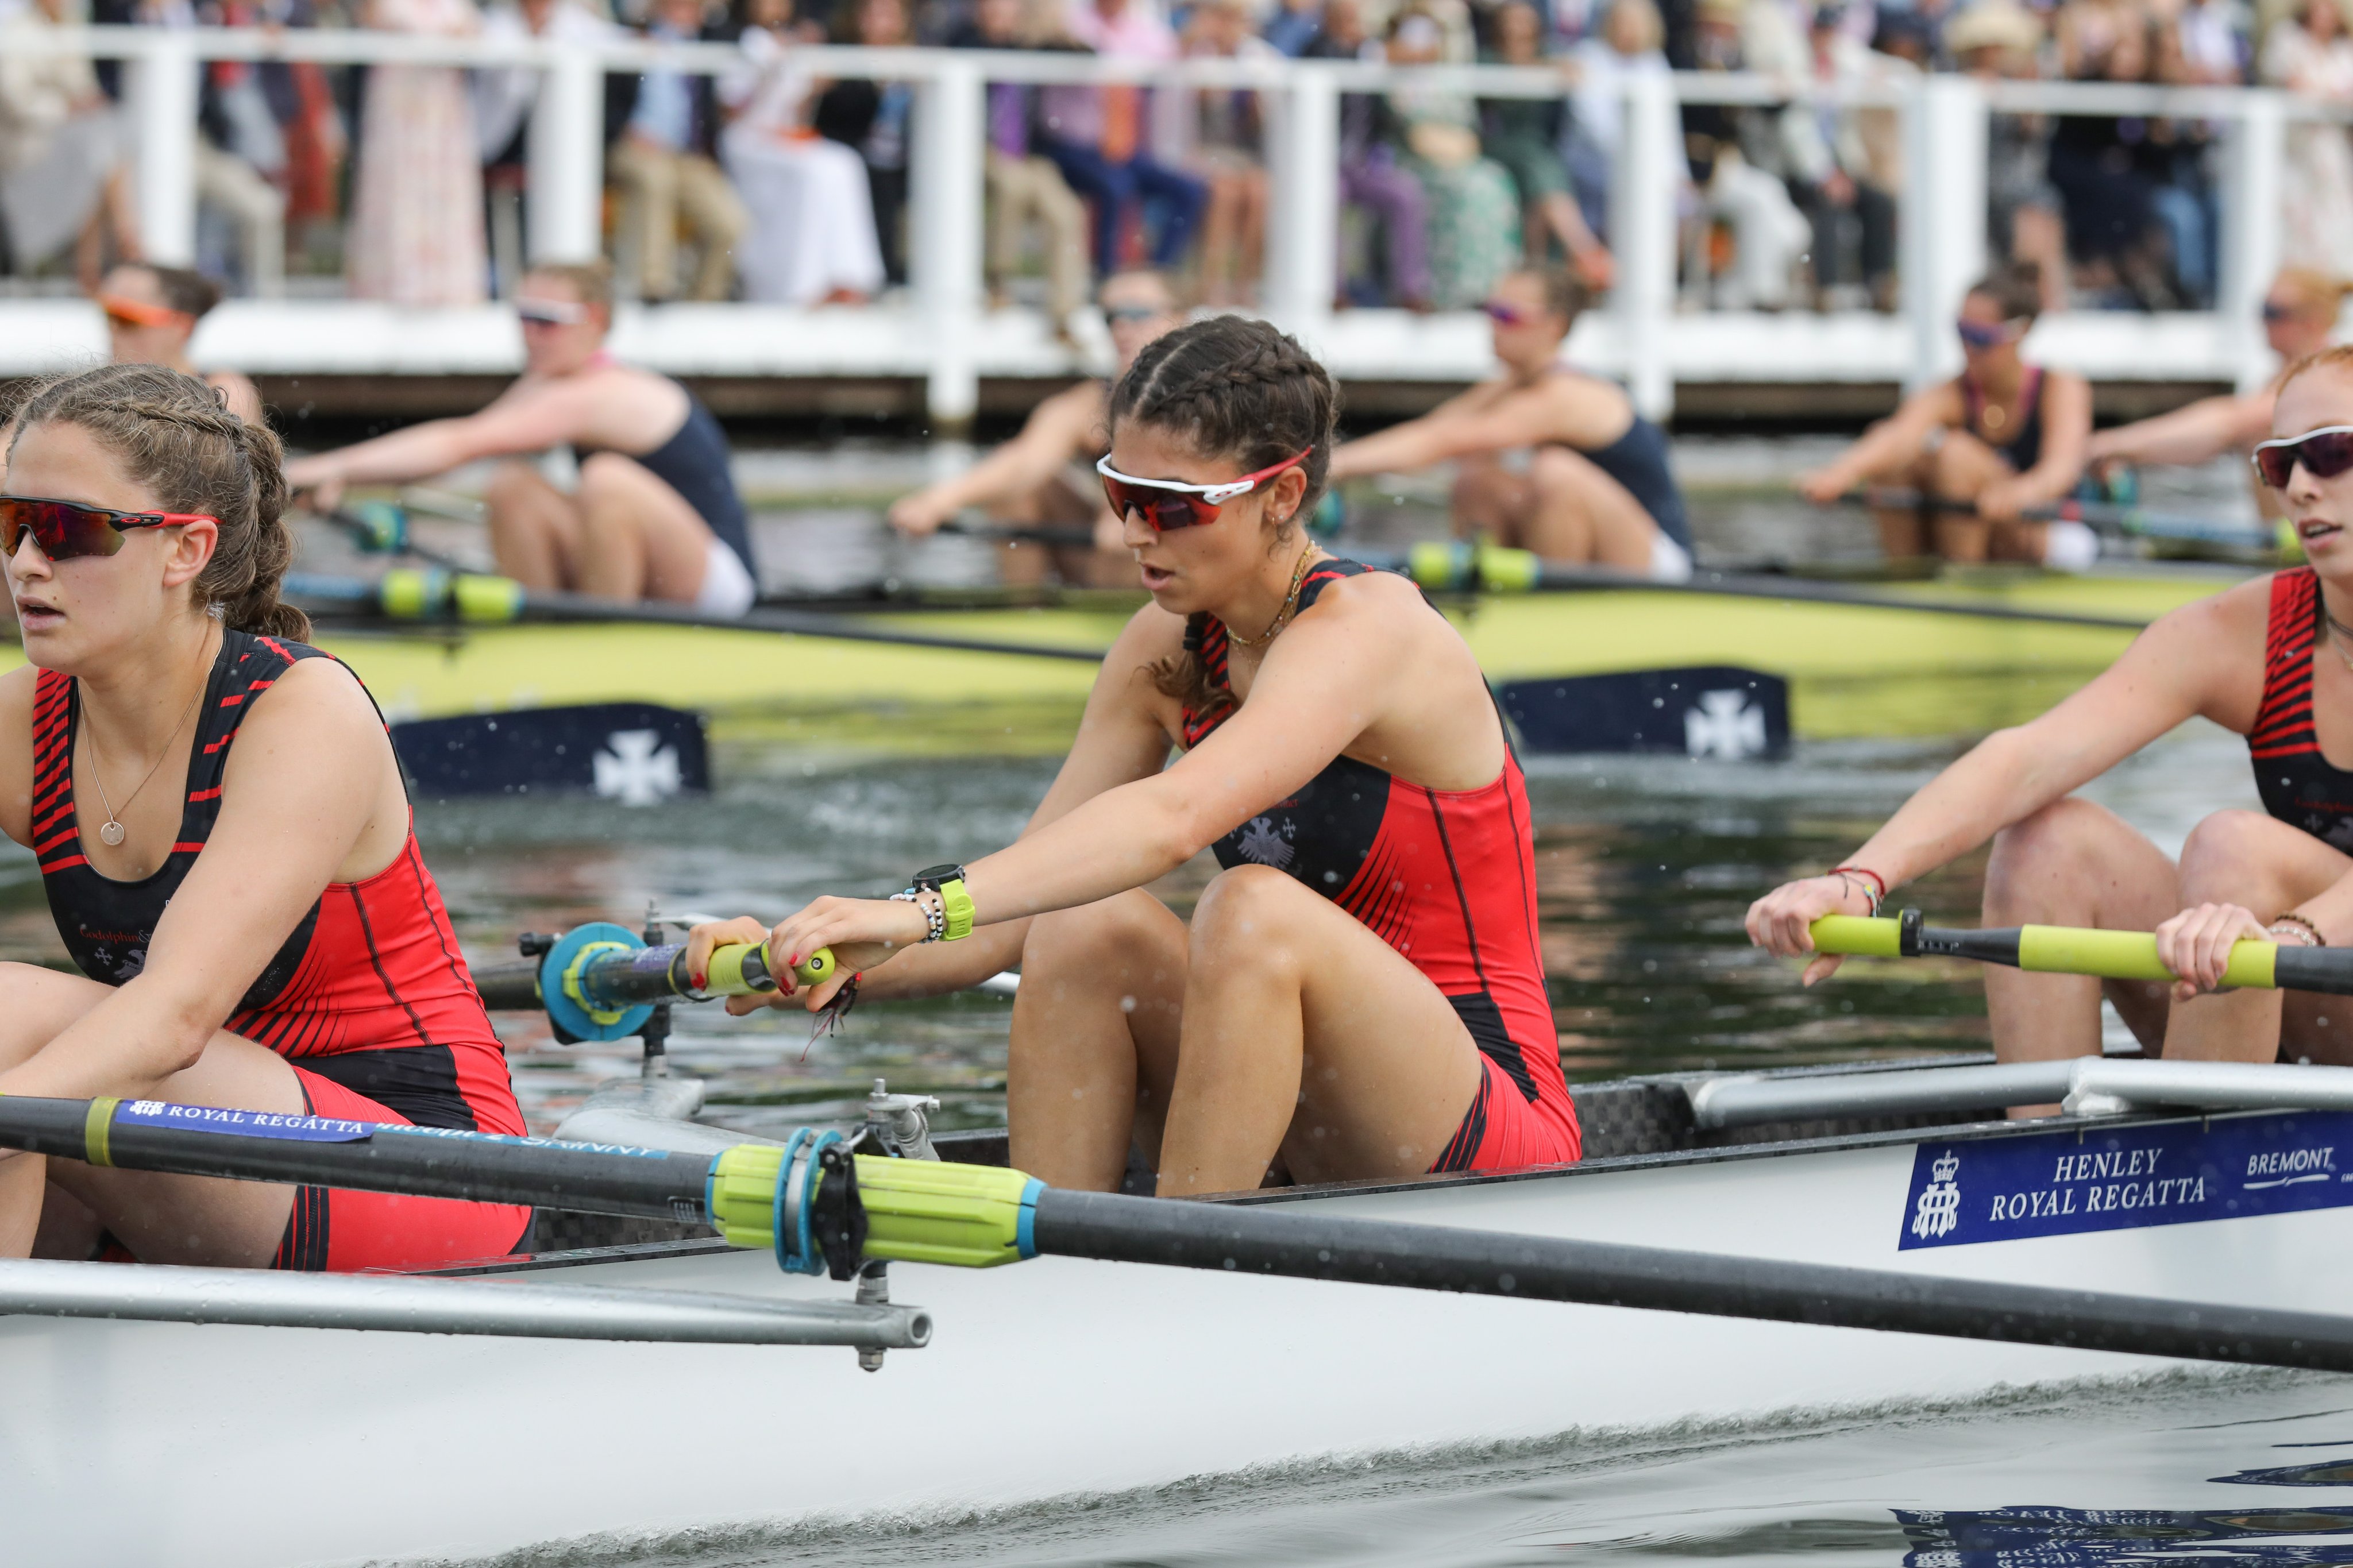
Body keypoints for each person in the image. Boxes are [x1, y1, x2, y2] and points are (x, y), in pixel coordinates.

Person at [686, 315, 1580, 1194]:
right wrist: (806, 949)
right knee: (1081, 920)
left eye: (1173, 507)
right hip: (1309, 1102)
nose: (1133, 534)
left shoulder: (1369, 629)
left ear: (1281, 494)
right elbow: (1005, 919)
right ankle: (1062, 1275)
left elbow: (1172, 819)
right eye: (1120, 493)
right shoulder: (1164, 647)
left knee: (1249, 905)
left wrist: (916, 910)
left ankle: (1178, 1278)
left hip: (1488, 1119)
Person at [0, 362, 530, 1268]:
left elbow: (170, 1022)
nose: (24, 563)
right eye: (10, 523)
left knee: (8, 1007)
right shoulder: (27, 717)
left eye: (66, 529)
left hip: (428, 1168)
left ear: (186, 551)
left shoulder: (300, 712)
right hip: (210, 1138)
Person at [1749, 343, 2353, 1082]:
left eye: (2328, 453)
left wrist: (2287, 934)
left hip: (2310, 957)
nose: (2298, 488)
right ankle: (2046, 1164)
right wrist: (1858, 880)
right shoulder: (2249, 632)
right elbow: (2028, 757)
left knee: (2236, 848)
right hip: (2290, 978)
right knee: (2045, 838)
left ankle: (2210, 1160)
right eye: (2277, 464)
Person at [283, 262, 759, 614]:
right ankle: (543, 626)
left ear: (592, 320)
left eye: (546, 320)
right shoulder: (546, 386)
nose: (530, 335)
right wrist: (339, 481)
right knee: (512, 485)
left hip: (718, 583)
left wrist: (325, 468)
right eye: (523, 317)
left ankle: (603, 641)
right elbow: (454, 443)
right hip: (651, 568)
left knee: (606, 479)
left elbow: (459, 444)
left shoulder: (605, 391)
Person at [1325, 267, 1694, 577]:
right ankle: (1486, 593)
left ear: (1555, 325)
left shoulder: (1568, 394)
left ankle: (1552, 611)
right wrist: (1323, 460)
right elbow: (1430, 433)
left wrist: (1325, 469)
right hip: (1607, 551)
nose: (1493, 325)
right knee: (1476, 480)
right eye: (1489, 311)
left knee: (1555, 472)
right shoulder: (1507, 386)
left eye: (1507, 316)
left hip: (1662, 564)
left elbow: (1441, 443)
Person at [886, 269, 1179, 587]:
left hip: (1176, 548)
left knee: (1130, 511)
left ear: (1180, 319)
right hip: (1104, 553)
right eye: (1111, 317)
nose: (1121, 327)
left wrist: (1139, 507)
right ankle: (1024, 604)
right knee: (1014, 491)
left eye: (1138, 314)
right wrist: (938, 502)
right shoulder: (1087, 404)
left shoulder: (1202, 402)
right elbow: (1025, 461)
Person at [1795, 265, 2096, 566]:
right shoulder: (1952, 392)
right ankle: (1906, 574)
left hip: (2039, 531)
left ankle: (1962, 582)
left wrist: (2022, 492)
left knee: (1955, 456)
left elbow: (2061, 469)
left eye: (1980, 338)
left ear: (2022, 332)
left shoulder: (2059, 387)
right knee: (1893, 464)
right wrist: (1842, 473)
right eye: (1961, 332)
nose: (1967, 349)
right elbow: (1899, 436)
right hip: (1981, 517)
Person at [2086, 268, 2347, 520]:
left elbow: (2228, 423)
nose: (2262, 322)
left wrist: (2113, 443)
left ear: (2313, 321)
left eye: (2273, 313)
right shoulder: (2276, 380)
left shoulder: (2325, 377)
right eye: (2261, 310)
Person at [720, 0, 888, 306]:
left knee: (845, 163)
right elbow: (729, 110)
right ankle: (801, 286)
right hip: (748, 142)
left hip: (784, 140)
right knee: (814, 174)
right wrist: (770, 70)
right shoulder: (738, 40)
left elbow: (796, 110)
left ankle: (847, 278)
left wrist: (816, 81)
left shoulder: (796, 39)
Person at [951, 0, 1091, 328]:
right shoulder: (964, 41)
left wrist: (1058, 30)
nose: (1000, 12)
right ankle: (999, 284)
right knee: (1011, 186)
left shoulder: (1031, 45)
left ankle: (1064, 310)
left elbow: (1086, 61)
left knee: (1067, 211)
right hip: (979, 148)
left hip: (1027, 154)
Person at [346, 0, 488, 307]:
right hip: (398, 109)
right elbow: (371, 26)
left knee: (445, 192)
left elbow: (474, 44)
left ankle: (448, 289)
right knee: (398, 190)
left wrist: (454, 45)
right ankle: (393, 286)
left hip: (443, 114)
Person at [609, 0, 750, 304]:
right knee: (655, 180)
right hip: (634, 146)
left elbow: (749, 37)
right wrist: (624, 129)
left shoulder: (710, 41)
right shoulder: (630, 37)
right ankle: (653, 287)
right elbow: (608, 101)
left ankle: (705, 300)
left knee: (730, 221)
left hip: (687, 155)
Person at [813, 0, 915, 288]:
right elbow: (839, 116)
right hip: (857, 153)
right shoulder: (844, 57)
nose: (878, 22)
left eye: (887, 15)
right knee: (877, 186)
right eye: (872, 14)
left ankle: (898, 272)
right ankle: (877, 277)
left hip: (902, 158)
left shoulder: (917, 59)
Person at [95, 264, 264, 428]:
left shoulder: (223, 393)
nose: (113, 331)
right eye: (108, 316)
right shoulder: (97, 390)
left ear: (182, 327)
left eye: (127, 320)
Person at [2262, 0, 2353, 275]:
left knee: (2334, 223)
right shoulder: (2288, 39)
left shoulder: (2343, 48)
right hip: (2295, 151)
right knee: (2294, 226)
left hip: (2333, 154)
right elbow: (2291, 84)